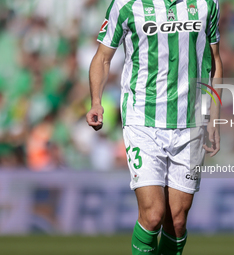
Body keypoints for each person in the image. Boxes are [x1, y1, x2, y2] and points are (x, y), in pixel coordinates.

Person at [86, 0, 222, 254]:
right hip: (143, 120)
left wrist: (213, 116)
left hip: (190, 124)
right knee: (153, 215)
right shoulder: (126, 5)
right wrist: (96, 101)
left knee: (177, 221)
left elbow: (214, 61)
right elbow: (103, 58)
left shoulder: (205, 4)